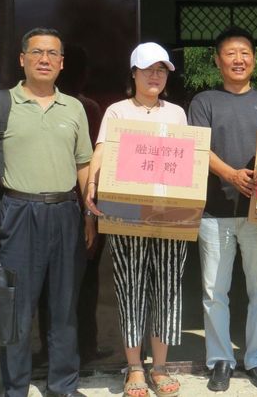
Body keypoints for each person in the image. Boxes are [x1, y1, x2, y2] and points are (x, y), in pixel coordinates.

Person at [0, 28, 93, 397]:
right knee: (17, 310)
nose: (44, 59)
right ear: (22, 58)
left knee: (64, 308)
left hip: (66, 213)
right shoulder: (1, 104)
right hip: (18, 214)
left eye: (52, 53)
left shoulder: (74, 108)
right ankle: (15, 388)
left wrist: (90, 216)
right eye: (37, 52)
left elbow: (84, 165)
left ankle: (63, 386)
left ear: (62, 63)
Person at [188, 27, 257, 392]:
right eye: (230, 53)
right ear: (217, 61)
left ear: (255, 59)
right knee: (215, 291)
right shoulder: (204, 101)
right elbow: (198, 147)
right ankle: (220, 360)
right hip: (214, 212)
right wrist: (230, 174)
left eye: (245, 53)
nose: (238, 59)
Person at [83, 42, 186, 397]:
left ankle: (160, 367)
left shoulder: (177, 114)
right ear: (133, 74)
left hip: (170, 216)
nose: (155, 76)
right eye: (148, 69)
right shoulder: (117, 111)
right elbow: (101, 150)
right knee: (131, 289)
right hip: (126, 215)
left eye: (161, 70)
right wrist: (92, 186)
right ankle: (135, 368)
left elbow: (187, 159)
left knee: (168, 289)